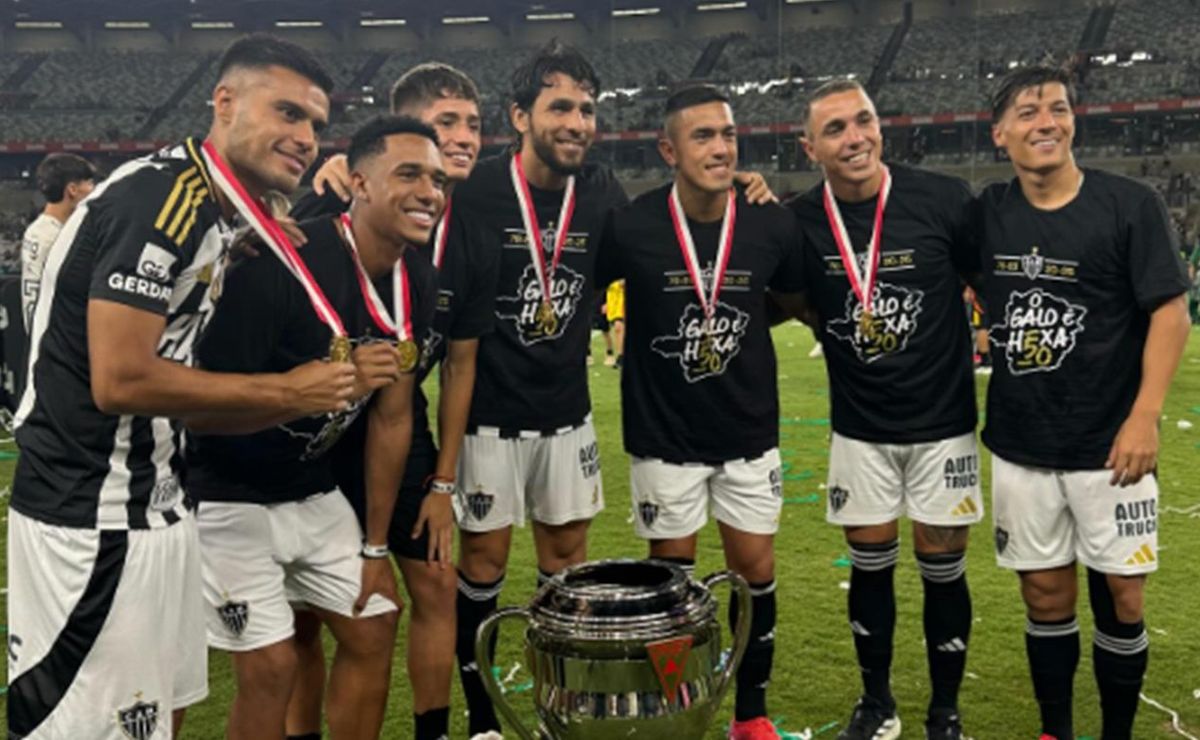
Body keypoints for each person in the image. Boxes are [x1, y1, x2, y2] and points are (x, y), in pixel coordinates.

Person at [6, 34, 350, 740]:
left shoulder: (217, 209)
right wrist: (291, 393)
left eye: (316, 124)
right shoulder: (165, 197)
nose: (305, 137)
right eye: (286, 113)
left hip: (157, 501)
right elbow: (121, 378)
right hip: (89, 513)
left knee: (152, 720)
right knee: (91, 729)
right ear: (223, 103)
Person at [187, 114, 444, 740]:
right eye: (407, 174)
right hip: (228, 492)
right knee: (273, 665)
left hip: (312, 486)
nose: (429, 191)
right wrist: (312, 388)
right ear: (357, 182)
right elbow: (198, 408)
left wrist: (376, 548)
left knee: (375, 622)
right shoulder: (284, 259)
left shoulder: (418, 278)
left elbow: (393, 416)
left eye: (436, 179)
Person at [285, 62, 498, 740]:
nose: (461, 139)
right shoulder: (320, 219)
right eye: (444, 125)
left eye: (470, 123)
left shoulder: (471, 240)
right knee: (313, 612)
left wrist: (443, 480)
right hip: (313, 443)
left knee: (436, 584)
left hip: (401, 435)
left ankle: (432, 732)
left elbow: (458, 367)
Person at [981, 66, 1190, 740]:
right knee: (1045, 597)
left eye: (1059, 108)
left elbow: (1171, 312)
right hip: (1021, 442)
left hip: (1111, 446)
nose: (1047, 121)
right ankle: (1057, 730)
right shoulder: (985, 213)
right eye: (1030, 111)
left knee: (1123, 597)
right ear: (1001, 134)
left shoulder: (1129, 205)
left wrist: (1144, 415)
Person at [597, 84, 805, 740]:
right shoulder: (633, 225)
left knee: (756, 578)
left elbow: (796, 297)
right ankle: (678, 712)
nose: (720, 148)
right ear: (668, 149)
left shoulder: (769, 220)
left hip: (747, 430)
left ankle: (750, 715)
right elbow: (587, 290)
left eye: (727, 135)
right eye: (702, 136)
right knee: (672, 590)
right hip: (665, 437)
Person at [790, 79, 981, 740]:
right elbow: (782, 299)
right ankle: (878, 703)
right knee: (869, 563)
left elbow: (989, 284)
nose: (855, 138)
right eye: (836, 129)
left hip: (944, 425)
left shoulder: (943, 198)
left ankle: (944, 711)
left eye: (864, 121)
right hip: (861, 428)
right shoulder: (798, 218)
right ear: (809, 145)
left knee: (941, 564)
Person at [448, 41, 628, 739]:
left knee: (565, 568)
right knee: (484, 566)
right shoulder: (476, 190)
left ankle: (563, 710)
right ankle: (484, 720)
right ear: (519, 116)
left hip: (566, 417)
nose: (578, 122)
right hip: (486, 417)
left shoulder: (604, 191)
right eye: (560, 107)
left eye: (587, 110)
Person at [21, 153, 96, 328]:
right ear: (73, 190)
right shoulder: (57, 237)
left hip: (41, 338)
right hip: (57, 341)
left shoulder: (37, 230)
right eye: (89, 183)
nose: (93, 190)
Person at [605, 278, 626, 368]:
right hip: (613, 301)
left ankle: (621, 356)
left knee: (618, 327)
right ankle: (621, 355)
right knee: (617, 329)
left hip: (622, 300)